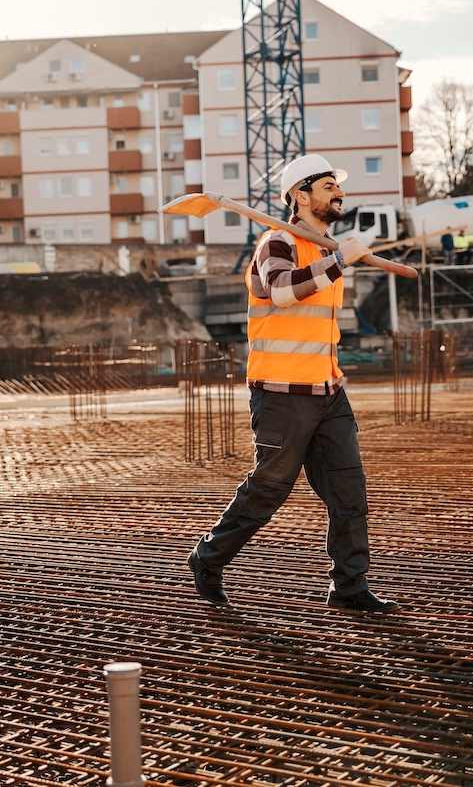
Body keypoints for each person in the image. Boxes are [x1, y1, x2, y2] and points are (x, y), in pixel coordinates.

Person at [187, 154, 399, 613]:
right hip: (282, 394)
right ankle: (208, 557)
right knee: (268, 488)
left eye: (337, 187)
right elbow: (282, 291)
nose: (338, 193)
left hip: (328, 392)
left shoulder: (323, 249)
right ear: (300, 196)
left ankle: (349, 585)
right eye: (327, 186)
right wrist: (342, 259)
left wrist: (337, 257)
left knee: (350, 493)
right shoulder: (276, 243)